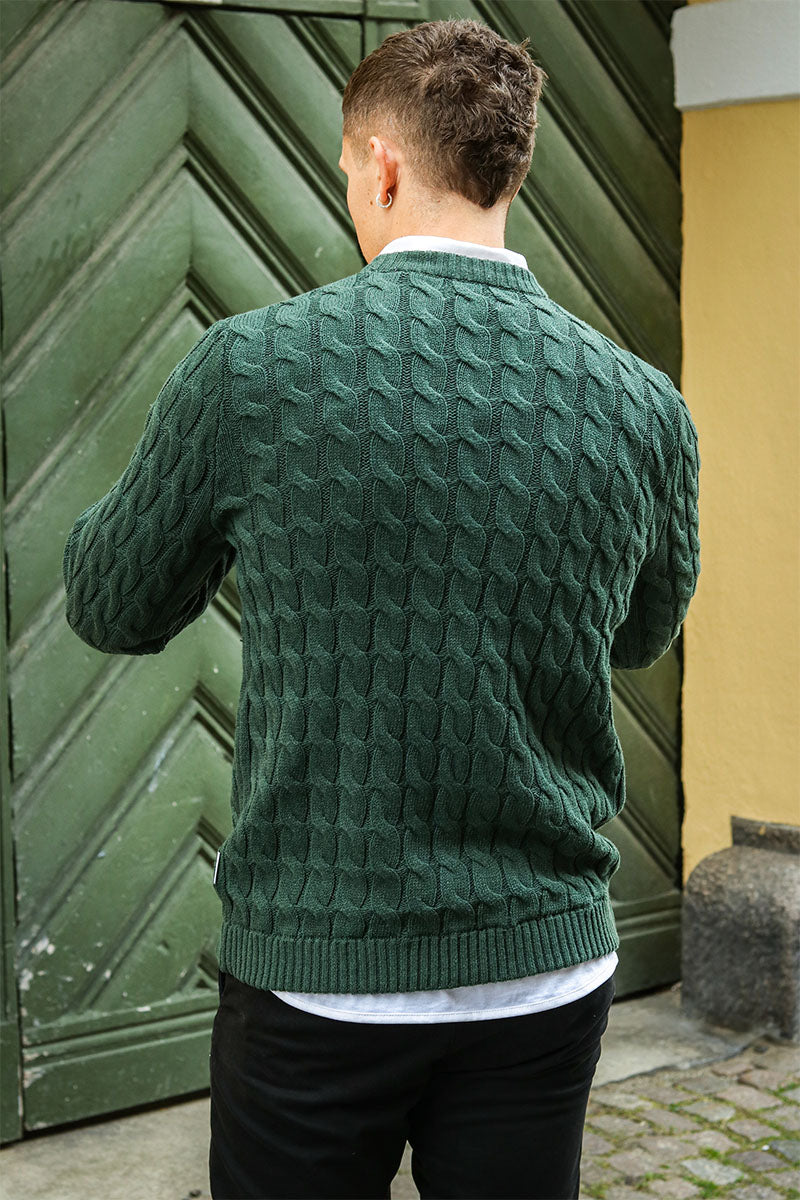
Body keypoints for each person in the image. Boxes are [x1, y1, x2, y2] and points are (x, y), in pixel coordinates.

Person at [61, 15, 701, 1200]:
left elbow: (111, 602)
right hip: (541, 969)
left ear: (383, 166)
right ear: (509, 168)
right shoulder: (639, 405)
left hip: (321, 970)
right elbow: (639, 632)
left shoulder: (250, 370)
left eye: (347, 167)